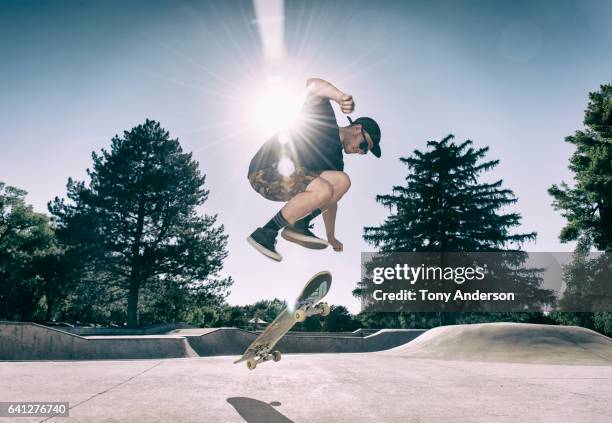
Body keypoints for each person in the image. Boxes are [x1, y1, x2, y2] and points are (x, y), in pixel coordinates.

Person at [247, 77, 381, 261]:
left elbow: (331, 202)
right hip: (265, 170)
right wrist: (339, 96)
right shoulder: (324, 118)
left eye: (364, 152)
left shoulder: (337, 163)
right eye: (364, 146)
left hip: (292, 178)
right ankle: (265, 233)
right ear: (357, 128)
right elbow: (313, 85)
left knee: (342, 181)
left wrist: (331, 236)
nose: (361, 152)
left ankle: (299, 225)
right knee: (324, 188)